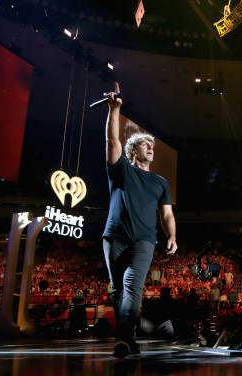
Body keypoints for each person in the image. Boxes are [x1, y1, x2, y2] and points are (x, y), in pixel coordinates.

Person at [102, 82, 177, 358]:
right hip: (115, 236)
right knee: (119, 290)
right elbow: (112, 142)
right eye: (146, 144)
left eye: (153, 145)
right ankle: (129, 337)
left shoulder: (160, 182)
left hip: (145, 240)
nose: (151, 148)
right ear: (134, 149)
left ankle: (123, 338)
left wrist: (172, 236)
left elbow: (166, 213)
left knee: (132, 287)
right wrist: (114, 110)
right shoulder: (121, 170)